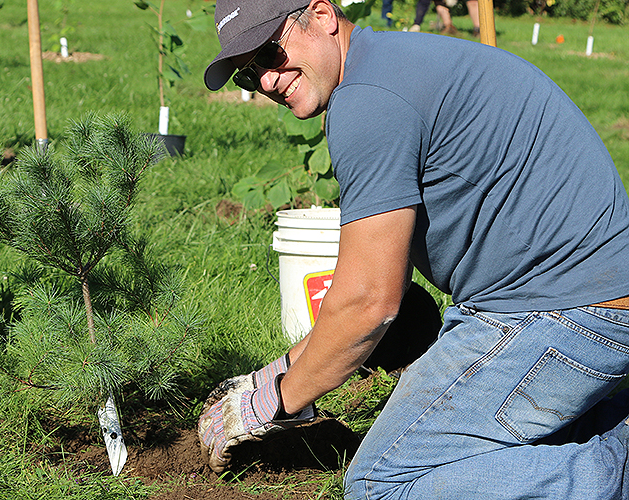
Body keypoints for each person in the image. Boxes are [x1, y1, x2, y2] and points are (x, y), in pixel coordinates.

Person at [198, 0, 629, 498]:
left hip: (565, 313)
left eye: (270, 54)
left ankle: (610, 477)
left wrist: (274, 402)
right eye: (248, 76)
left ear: (321, 14)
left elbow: (369, 301)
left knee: (384, 484)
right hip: (581, 299)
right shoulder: (388, 62)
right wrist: (284, 370)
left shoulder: (367, 101)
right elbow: (383, 270)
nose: (268, 81)